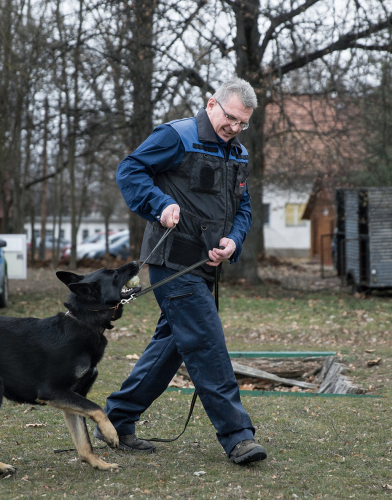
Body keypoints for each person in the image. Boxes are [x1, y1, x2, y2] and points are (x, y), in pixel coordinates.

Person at [95, 78, 267, 465]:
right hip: (171, 263)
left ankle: (116, 419)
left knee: (171, 348)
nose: (235, 128)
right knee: (207, 342)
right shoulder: (177, 136)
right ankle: (238, 436)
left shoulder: (237, 154)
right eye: (231, 118)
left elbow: (243, 209)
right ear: (212, 104)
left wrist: (235, 241)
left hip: (205, 266)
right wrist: (159, 203)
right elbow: (130, 169)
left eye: (243, 123)